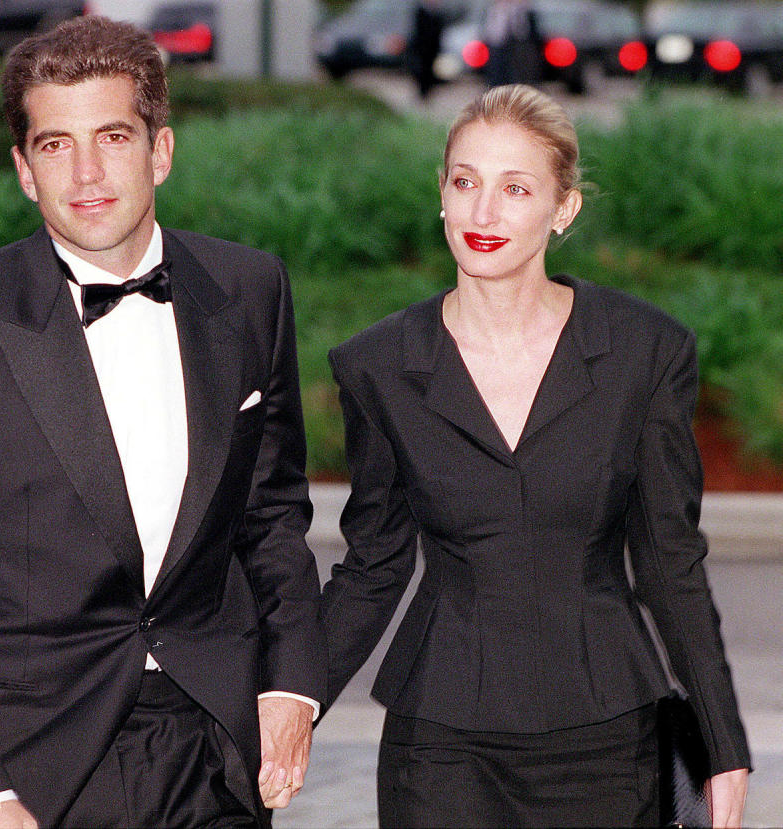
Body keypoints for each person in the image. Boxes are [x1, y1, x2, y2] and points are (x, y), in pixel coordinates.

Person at [0, 16, 325, 829]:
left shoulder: (250, 290)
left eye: (111, 135)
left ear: (161, 151)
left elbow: (273, 513)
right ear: (24, 171)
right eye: (55, 145)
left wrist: (292, 681)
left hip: (211, 745)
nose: (88, 172)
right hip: (27, 763)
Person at [319, 84, 750, 828]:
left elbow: (670, 561)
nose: (483, 214)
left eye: (515, 188)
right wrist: (283, 705)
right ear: (443, 196)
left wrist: (724, 744)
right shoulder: (379, 364)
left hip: (606, 738)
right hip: (440, 744)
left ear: (564, 208)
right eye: (466, 182)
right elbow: (373, 564)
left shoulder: (644, 352)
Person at [483, 0, 541, 87]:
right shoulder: (494, 10)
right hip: (498, 45)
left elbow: (526, 30)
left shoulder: (524, 9)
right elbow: (490, 30)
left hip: (519, 46)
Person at [407, 0, 446, 99]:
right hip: (421, 48)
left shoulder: (438, 14)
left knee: (430, 72)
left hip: (432, 49)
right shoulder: (420, 12)